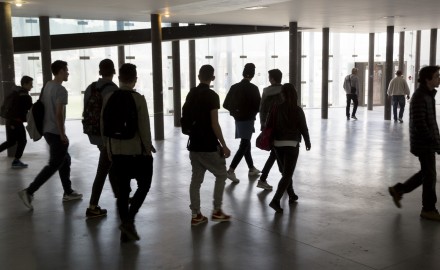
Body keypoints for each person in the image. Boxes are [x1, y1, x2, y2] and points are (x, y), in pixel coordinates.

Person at [18, 60, 83, 210]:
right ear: (60, 71)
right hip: (55, 131)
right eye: (66, 70)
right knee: (54, 164)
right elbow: (58, 114)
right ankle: (29, 191)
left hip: (47, 130)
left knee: (64, 159)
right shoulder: (61, 90)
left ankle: (68, 191)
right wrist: (62, 134)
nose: (68, 73)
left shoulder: (48, 85)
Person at [103, 63, 154, 242]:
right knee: (144, 185)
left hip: (116, 153)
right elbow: (144, 128)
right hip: (136, 152)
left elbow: (105, 127)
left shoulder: (109, 97)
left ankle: (126, 228)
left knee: (123, 192)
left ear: (119, 78)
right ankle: (129, 220)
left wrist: (109, 150)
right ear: (135, 79)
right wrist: (148, 149)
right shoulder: (138, 99)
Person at [388, 65, 440, 221]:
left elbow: (430, 122)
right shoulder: (420, 96)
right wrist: (434, 142)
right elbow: (420, 124)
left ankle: (399, 190)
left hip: (428, 142)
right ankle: (428, 209)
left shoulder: (428, 95)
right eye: (437, 76)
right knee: (430, 175)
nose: (439, 78)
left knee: (426, 173)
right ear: (427, 79)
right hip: (423, 143)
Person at [186, 64, 231, 226]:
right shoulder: (212, 96)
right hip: (208, 145)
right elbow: (214, 123)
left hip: (194, 144)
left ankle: (195, 214)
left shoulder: (191, 93)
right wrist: (224, 145)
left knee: (196, 180)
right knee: (221, 174)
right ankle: (217, 210)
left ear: (199, 76)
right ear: (212, 78)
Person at [83, 59, 119, 218]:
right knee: (103, 169)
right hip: (108, 137)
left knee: (111, 165)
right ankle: (92, 206)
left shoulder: (90, 88)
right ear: (114, 72)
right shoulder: (112, 89)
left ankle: (120, 195)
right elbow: (113, 117)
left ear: (100, 72)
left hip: (94, 133)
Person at [269, 83, 311, 213]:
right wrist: (307, 141)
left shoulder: (276, 108)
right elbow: (303, 127)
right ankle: (276, 200)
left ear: (282, 94)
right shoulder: (297, 110)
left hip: (277, 144)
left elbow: (269, 124)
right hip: (292, 144)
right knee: (287, 173)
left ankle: (291, 194)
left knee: (285, 172)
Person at [223, 63, 261, 183]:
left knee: (246, 143)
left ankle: (251, 168)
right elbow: (259, 106)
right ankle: (231, 170)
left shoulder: (234, 87)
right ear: (253, 75)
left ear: (243, 73)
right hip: (249, 120)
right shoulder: (254, 88)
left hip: (238, 120)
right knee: (244, 145)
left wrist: (235, 112)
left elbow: (225, 104)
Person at [257, 69, 283, 190]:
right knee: (277, 153)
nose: (269, 79)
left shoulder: (266, 92)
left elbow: (262, 109)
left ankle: (264, 179)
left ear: (272, 79)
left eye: (269, 77)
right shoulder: (285, 91)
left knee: (275, 153)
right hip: (282, 127)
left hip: (269, 126)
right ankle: (286, 182)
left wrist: (263, 126)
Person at [0, 76, 33, 168]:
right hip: (16, 122)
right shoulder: (25, 96)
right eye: (30, 84)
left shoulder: (15, 93)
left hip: (10, 121)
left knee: (11, 142)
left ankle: (16, 161)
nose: (32, 86)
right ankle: (16, 161)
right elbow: (31, 108)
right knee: (22, 141)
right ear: (25, 84)